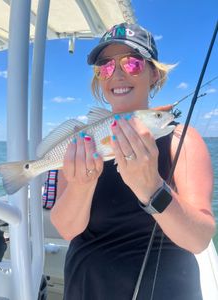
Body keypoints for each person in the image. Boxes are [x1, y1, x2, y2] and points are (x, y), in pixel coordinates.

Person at [50, 22, 216, 300]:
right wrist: (81, 186)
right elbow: (67, 230)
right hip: (87, 289)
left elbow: (199, 239)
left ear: (154, 74)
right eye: (105, 66)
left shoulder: (181, 139)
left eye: (132, 63)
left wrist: (152, 188)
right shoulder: (84, 141)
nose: (117, 74)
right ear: (99, 79)